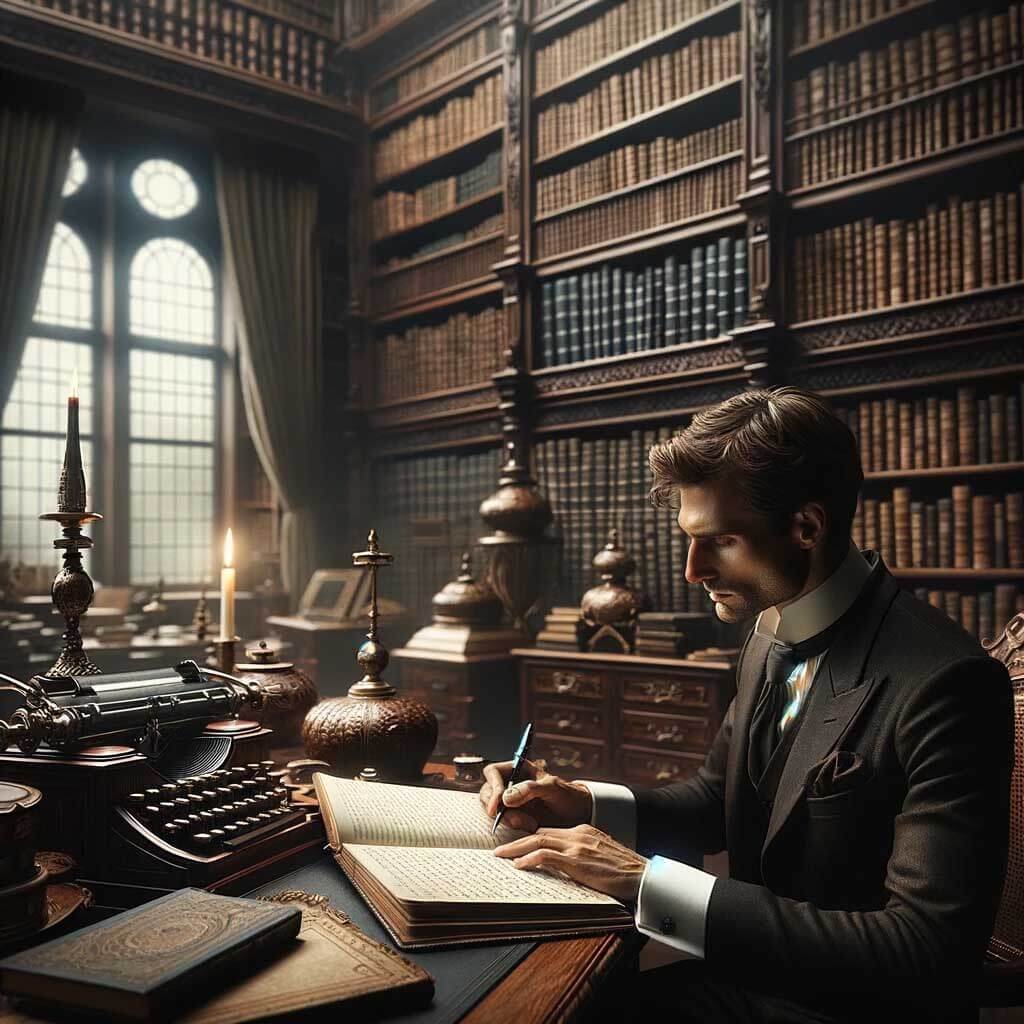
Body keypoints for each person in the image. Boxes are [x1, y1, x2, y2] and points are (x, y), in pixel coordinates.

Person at [480, 386, 1013, 1023]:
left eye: (721, 541)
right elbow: (716, 798)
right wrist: (582, 801)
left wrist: (645, 881)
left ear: (807, 527)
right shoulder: (769, 630)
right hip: (751, 981)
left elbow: (923, 948)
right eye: (688, 537)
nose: (690, 569)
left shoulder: (948, 682)